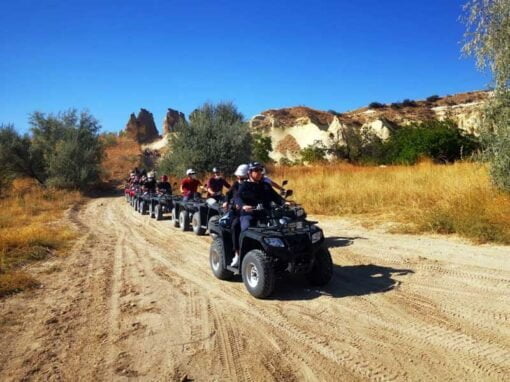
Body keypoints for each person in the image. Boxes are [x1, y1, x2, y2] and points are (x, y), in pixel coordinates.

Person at [231, 162, 285, 267]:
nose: (259, 172)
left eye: (260, 170)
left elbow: (275, 197)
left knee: (284, 226)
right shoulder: (244, 186)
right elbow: (237, 198)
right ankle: (239, 255)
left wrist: (284, 202)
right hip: (248, 214)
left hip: (266, 214)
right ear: (250, 173)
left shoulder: (265, 186)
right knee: (246, 229)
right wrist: (243, 206)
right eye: (256, 170)